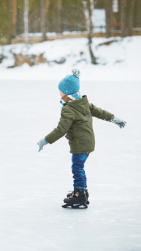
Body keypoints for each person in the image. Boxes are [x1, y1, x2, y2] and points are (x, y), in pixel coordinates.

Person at [37, 69, 127, 209]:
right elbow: (100, 112)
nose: (60, 94)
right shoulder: (82, 103)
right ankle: (82, 192)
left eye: (61, 92)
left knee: (77, 168)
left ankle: (80, 195)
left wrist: (45, 140)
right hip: (87, 141)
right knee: (79, 168)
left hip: (79, 144)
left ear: (67, 93)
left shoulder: (69, 109)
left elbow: (61, 129)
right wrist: (114, 119)